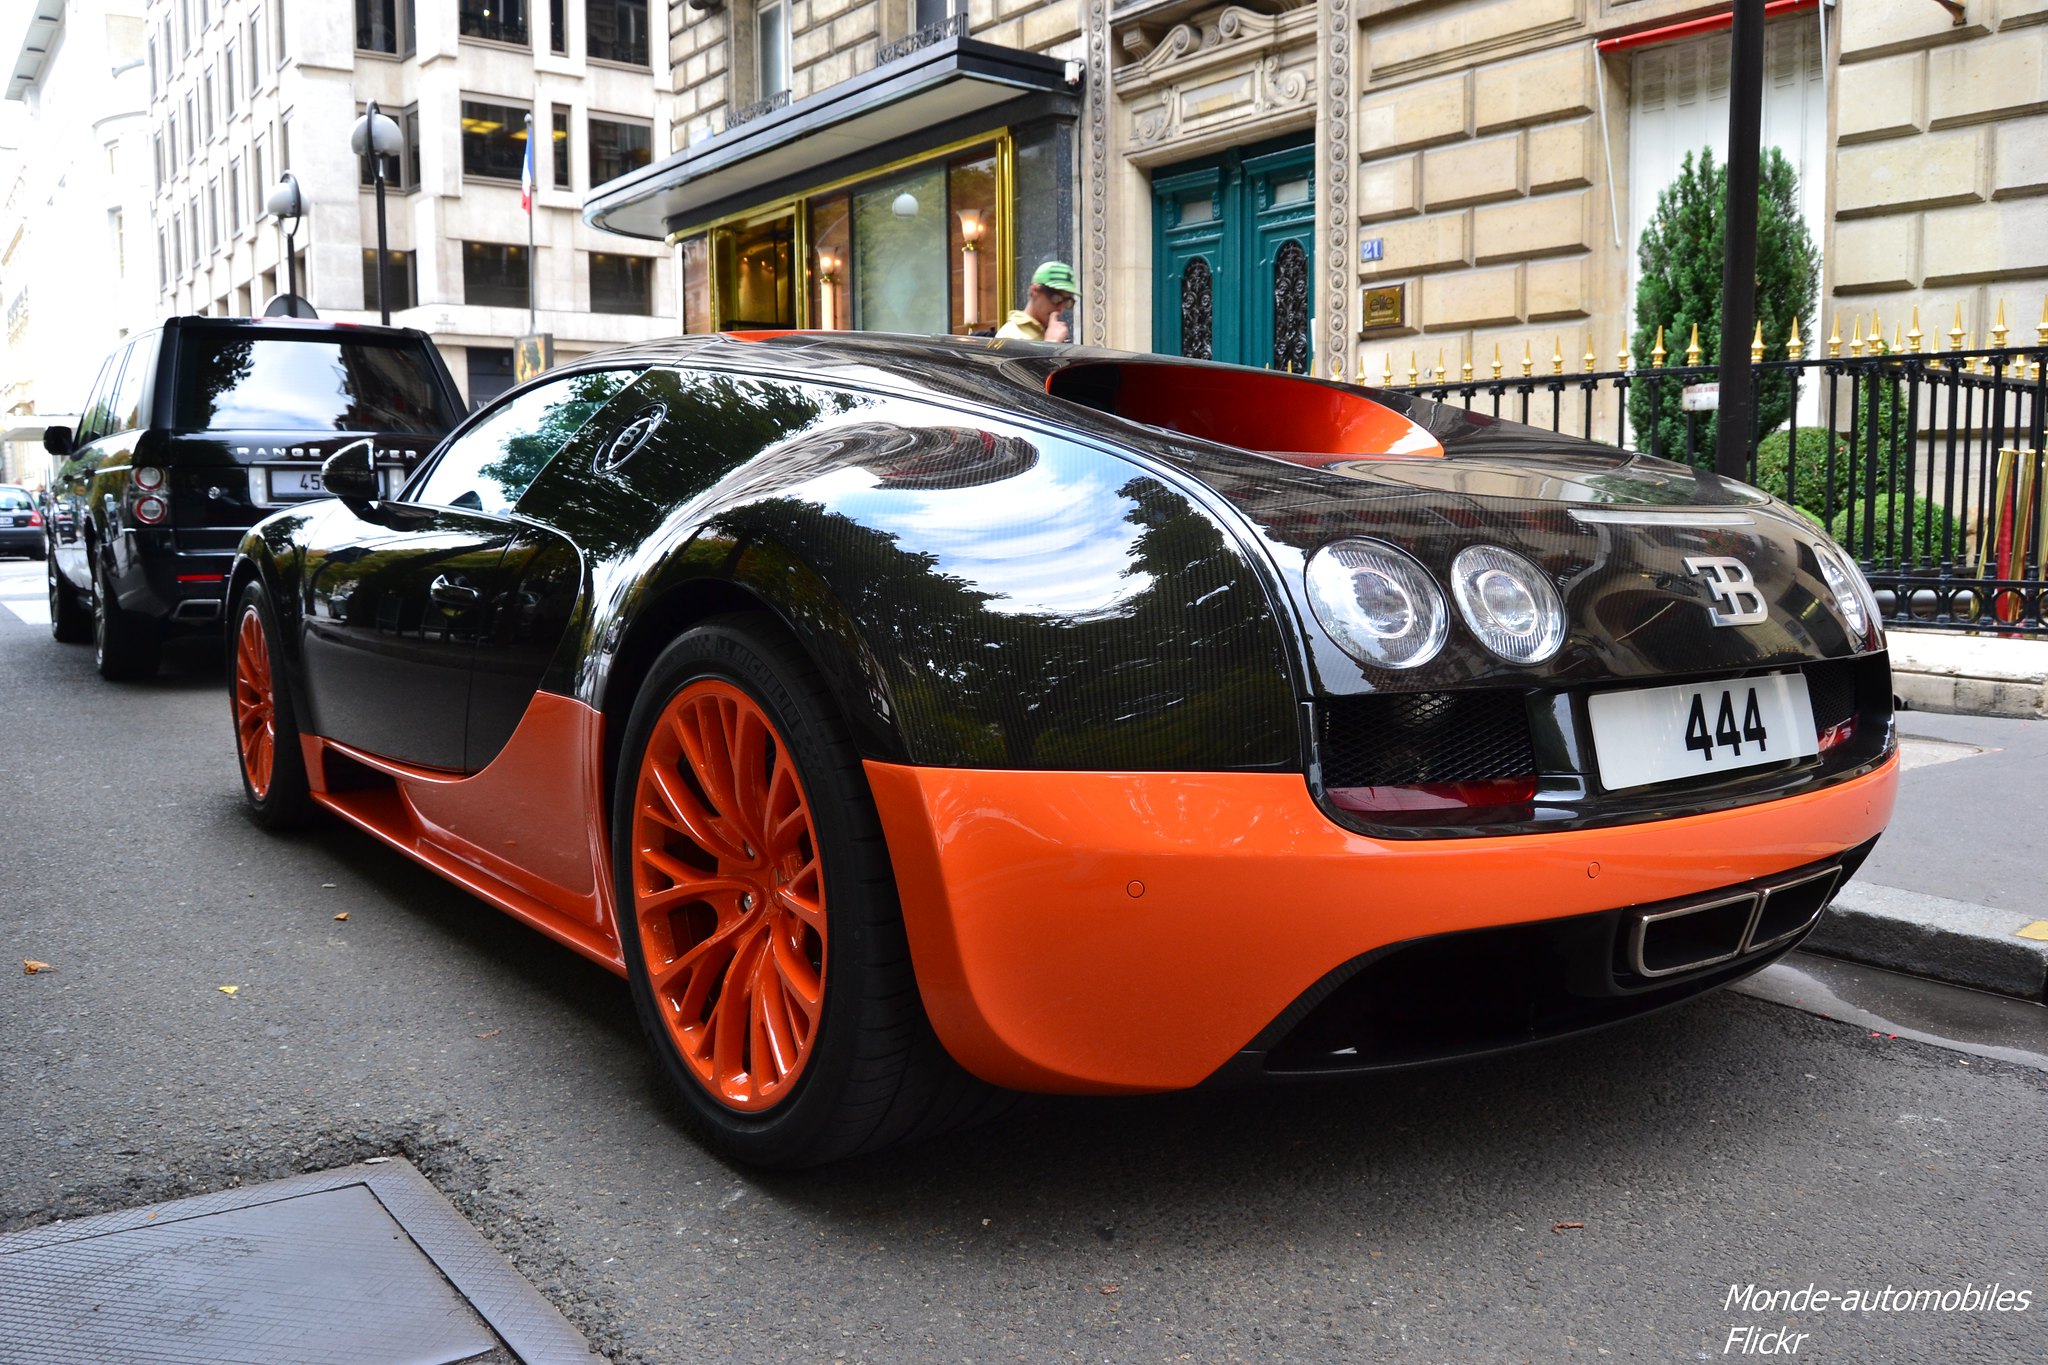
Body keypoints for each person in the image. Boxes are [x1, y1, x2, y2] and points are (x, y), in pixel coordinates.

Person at [996, 261, 1078, 342]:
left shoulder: (1052, 331)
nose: (1060, 308)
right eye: (1056, 299)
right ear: (1035, 291)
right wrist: (1052, 341)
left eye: (1067, 302)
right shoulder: (1011, 335)